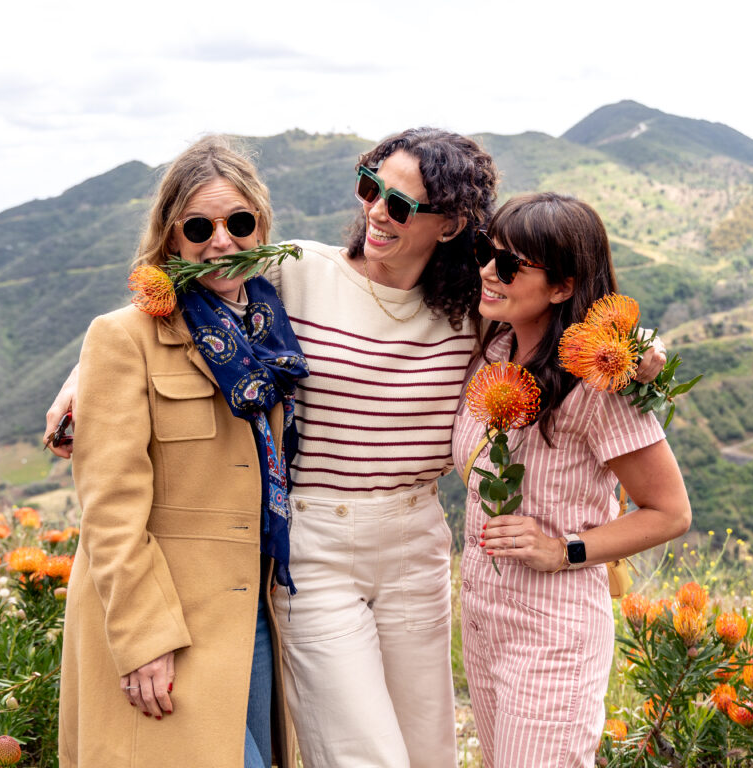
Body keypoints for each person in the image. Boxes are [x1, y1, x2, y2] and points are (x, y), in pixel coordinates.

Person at [47, 128, 668, 768]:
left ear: (451, 224)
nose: (375, 210)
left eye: (400, 205)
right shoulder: (300, 272)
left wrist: (647, 353)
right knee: (360, 754)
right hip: (316, 542)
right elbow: (188, 291)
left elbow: (564, 315)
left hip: (415, 543)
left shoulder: (474, 308)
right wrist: (79, 379)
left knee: (429, 752)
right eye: (370, 187)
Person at [57, 135, 304, 768]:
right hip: (166, 615)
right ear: (171, 238)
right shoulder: (124, 337)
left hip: (250, 614)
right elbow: (109, 510)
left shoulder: (274, 328)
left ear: (261, 228)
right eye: (199, 226)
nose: (221, 240)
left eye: (238, 222)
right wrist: (144, 639)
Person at [453, 193, 691, 768]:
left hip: (552, 633)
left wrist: (564, 550)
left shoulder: (596, 387)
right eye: (489, 254)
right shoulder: (494, 350)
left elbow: (670, 511)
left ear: (562, 287)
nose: (489, 271)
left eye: (510, 266)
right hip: (484, 623)